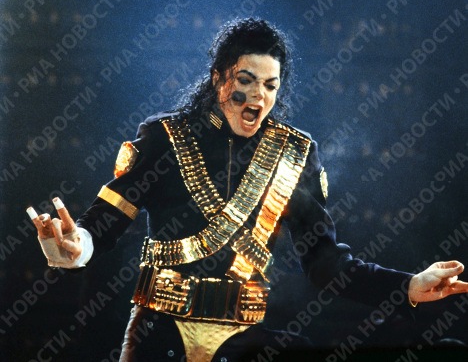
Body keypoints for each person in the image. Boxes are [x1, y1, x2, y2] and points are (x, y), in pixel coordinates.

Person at [27, 18, 468, 362]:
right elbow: (102, 225)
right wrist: (74, 247)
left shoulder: (295, 154)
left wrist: (408, 286)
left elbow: (326, 263)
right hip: (160, 333)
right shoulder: (165, 138)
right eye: (246, 80)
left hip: (244, 341)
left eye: (270, 85)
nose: (258, 94)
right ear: (219, 78)